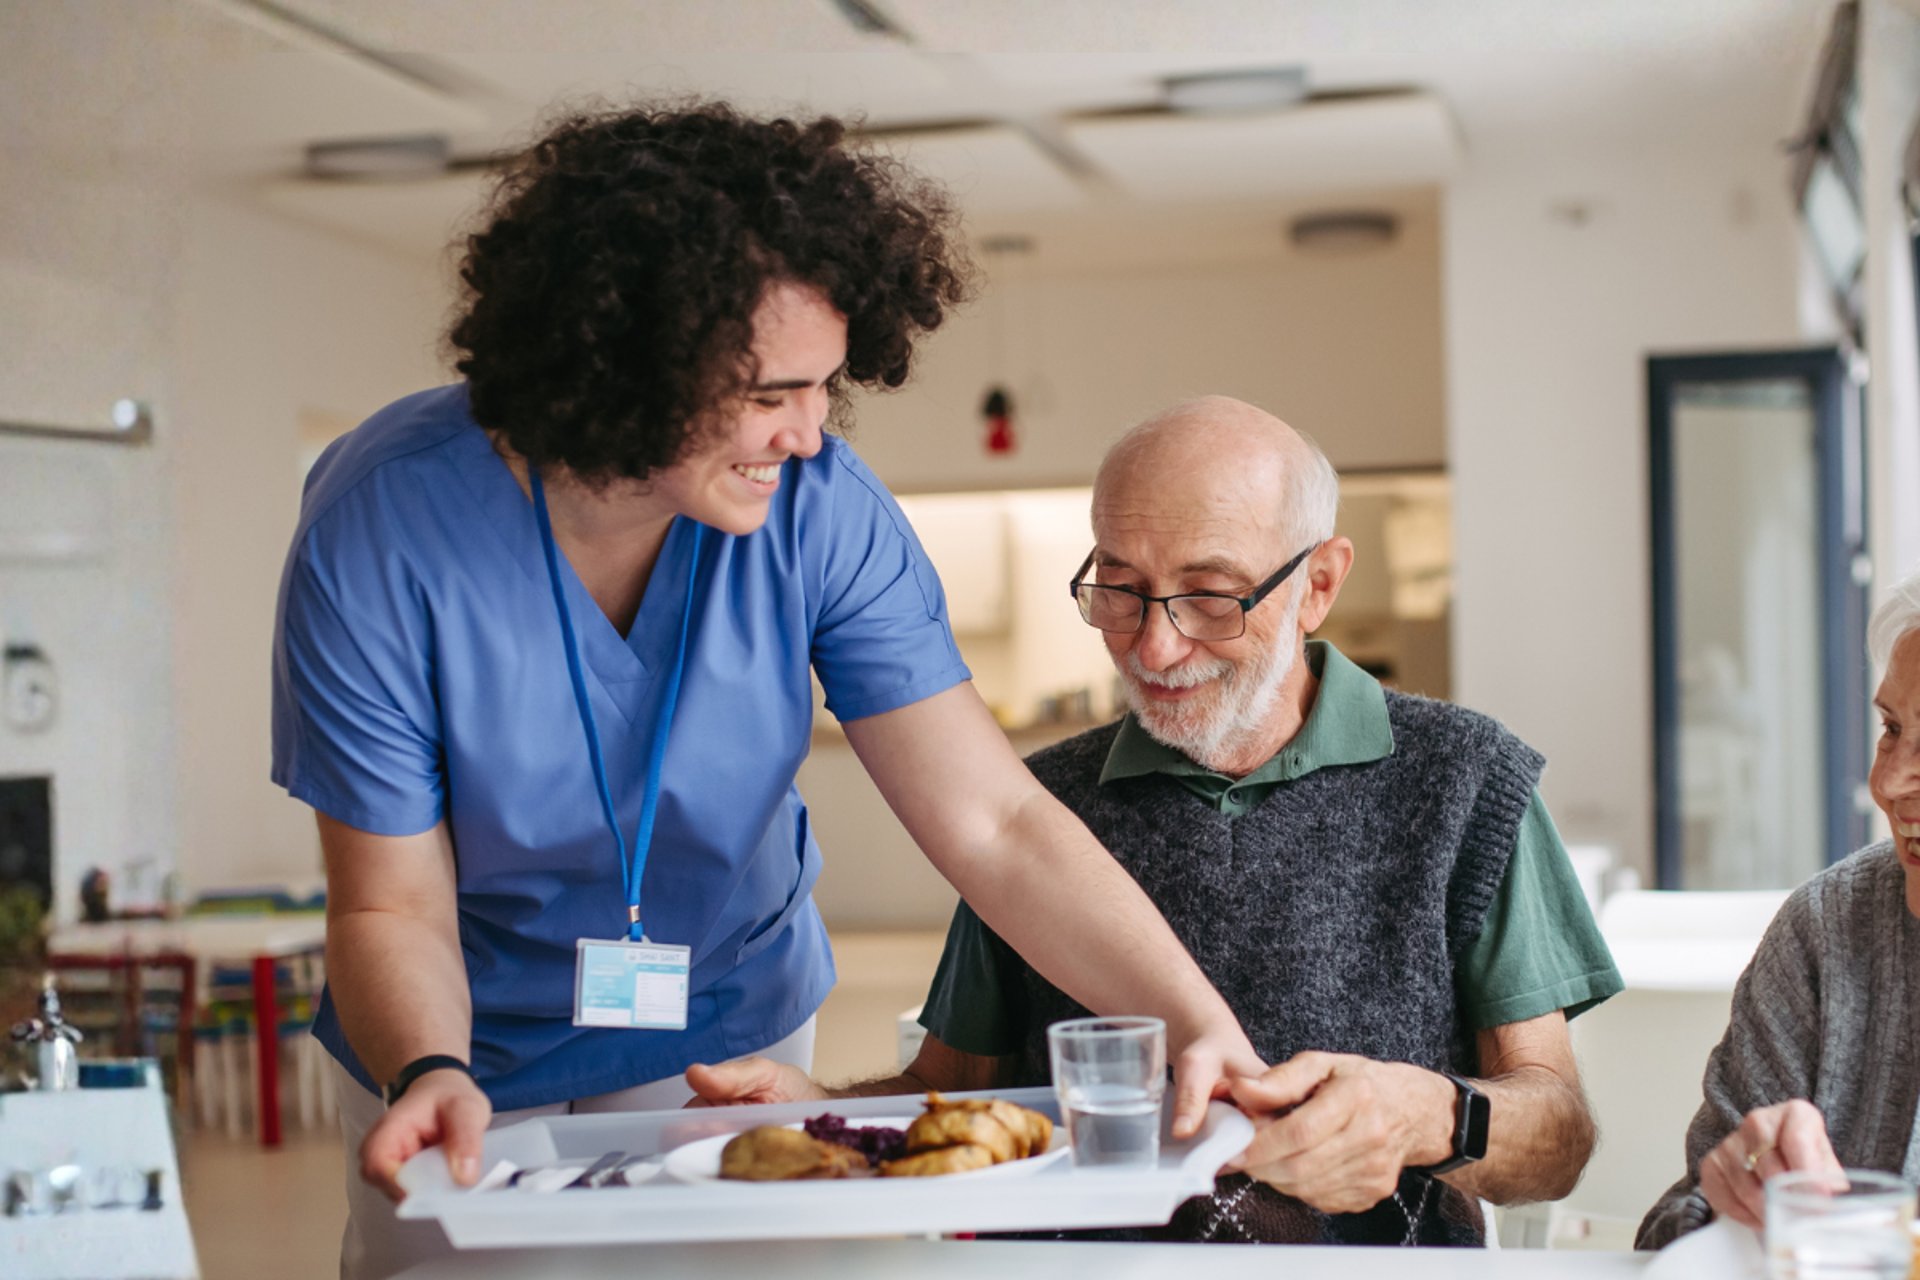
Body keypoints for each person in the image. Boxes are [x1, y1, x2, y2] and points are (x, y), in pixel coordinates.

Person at [270, 104, 1260, 1279]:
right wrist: (429, 1066)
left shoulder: (819, 507)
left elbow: (994, 821)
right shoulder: (383, 527)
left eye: (826, 386)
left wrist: (1201, 1025)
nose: (808, 431)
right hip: (453, 1037)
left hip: (721, 1037)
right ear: (621, 364)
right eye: (770, 392)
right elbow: (391, 903)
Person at [691, 396, 1623, 1246]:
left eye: (1211, 597)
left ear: (1320, 583)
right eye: (1120, 587)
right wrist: (814, 1113)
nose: (1155, 645)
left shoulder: (1467, 781)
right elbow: (950, 1093)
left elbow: (1557, 1141)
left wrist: (1429, 1116)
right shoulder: (1040, 810)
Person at [1637, 572, 1920, 1248]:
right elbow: (1669, 1236)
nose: (1889, 782)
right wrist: (1733, 1197)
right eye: (1891, 729)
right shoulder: (1828, 927)